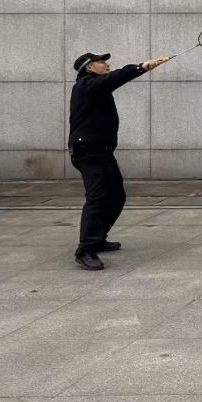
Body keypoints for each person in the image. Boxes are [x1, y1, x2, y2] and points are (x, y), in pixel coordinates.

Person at [68, 51, 168, 270]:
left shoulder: (96, 87)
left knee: (116, 196)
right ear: (89, 68)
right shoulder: (86, 85)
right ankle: (85, 250)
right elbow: (114, 78)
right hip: (87, 152)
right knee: (97, 198)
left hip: (102, 152)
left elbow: (110, 81)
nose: (107, 64)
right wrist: (141, 67)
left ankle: (98, 238)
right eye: (101, 62)